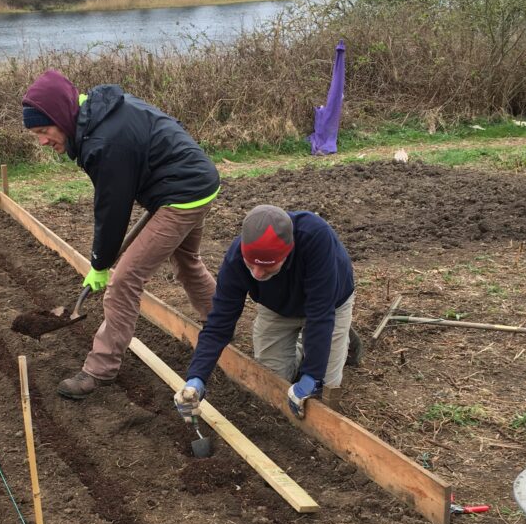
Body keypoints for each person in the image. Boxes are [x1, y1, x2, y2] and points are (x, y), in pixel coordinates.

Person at [22, 69, 220, 400]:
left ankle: (100, 369)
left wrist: (100, 264)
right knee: (186, 262)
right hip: (194, 181)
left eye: (44, 130)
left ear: (61, 115)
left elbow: (112, 210)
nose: (42, 140)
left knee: (124, 279)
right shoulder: (98, 115)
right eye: (36, 134)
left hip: (182, 194)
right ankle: (220, 323)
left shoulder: (103, 139)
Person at [174, 204, 356, 422]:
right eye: (251, 265)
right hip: (277, 306)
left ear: (287, 253)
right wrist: (196, 378)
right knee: (272, 382)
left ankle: (340, 340)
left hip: (330, 304)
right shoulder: (235, 260)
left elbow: (320, 314)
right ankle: (306, 342)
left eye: (268, 267)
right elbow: (219, 325)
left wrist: (312, 376)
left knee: (322, 388)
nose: (258, 274)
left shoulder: (315, 238)